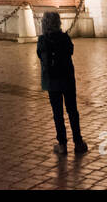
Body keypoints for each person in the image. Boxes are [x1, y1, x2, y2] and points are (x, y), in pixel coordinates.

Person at [36, 11, 87, 156]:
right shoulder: (65, 38)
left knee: (57, 113)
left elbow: (40, 55)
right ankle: (78, 142)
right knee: (72, 111)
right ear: (58, 23)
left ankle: (62, 144)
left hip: (52, 81)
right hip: (68, 79)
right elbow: (71, 51)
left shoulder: (43, 40)